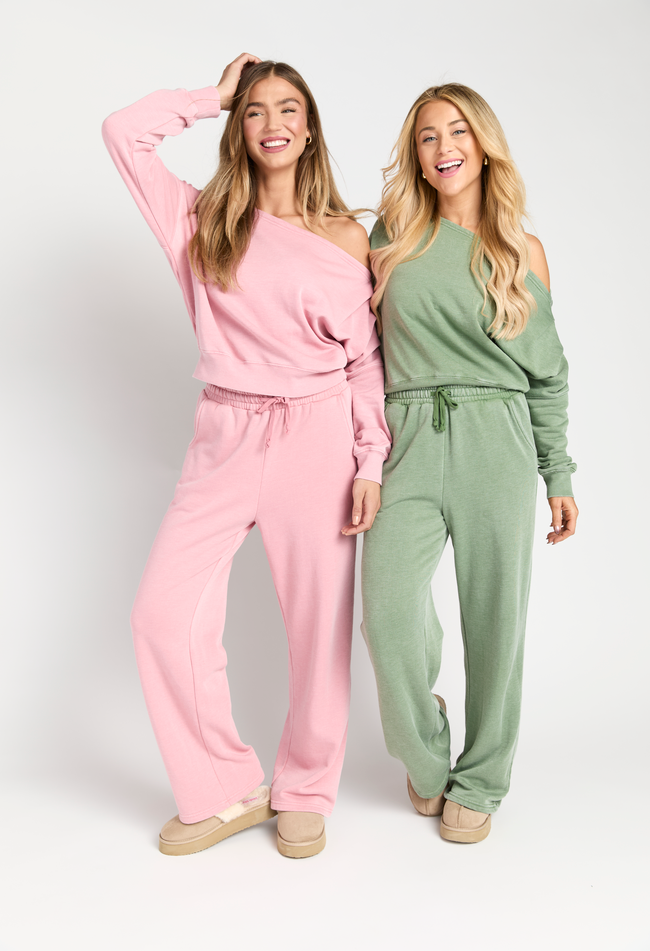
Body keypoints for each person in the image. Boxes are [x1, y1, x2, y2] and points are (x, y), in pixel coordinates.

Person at [102, 53, 390, 859]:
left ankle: (306, 787)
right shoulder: (199, 217)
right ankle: (224, 785)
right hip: (224, 432)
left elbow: (365, 362)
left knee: (318, 628)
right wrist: (213, 94)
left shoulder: (346, 235)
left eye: (288, 108)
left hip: (318, 434)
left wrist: (370, 460)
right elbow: (123, 133)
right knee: (162, 612)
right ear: (239, 126)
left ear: (311, 127)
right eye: (256, 110)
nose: (272, 123)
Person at [361, 83, 578, 843]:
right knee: (388, 611)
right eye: (427, 136)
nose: (443, 146)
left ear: (483, 145)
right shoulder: (390, 234)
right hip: (407, 434)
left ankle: (483, 777)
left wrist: (558, 472)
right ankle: (427, 751)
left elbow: (548, 372)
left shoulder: (523, 251)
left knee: (496, 619)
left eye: (457, 131)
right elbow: (356, 347)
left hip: (498, 438)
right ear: (416, 156)